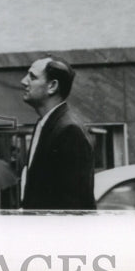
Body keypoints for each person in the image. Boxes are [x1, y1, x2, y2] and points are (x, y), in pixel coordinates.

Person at [19, 55, 96, 211]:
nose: (23, 81)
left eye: (32, 77)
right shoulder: (44, 124)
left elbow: (74, 204)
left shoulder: (70, 131)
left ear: (52, 86)